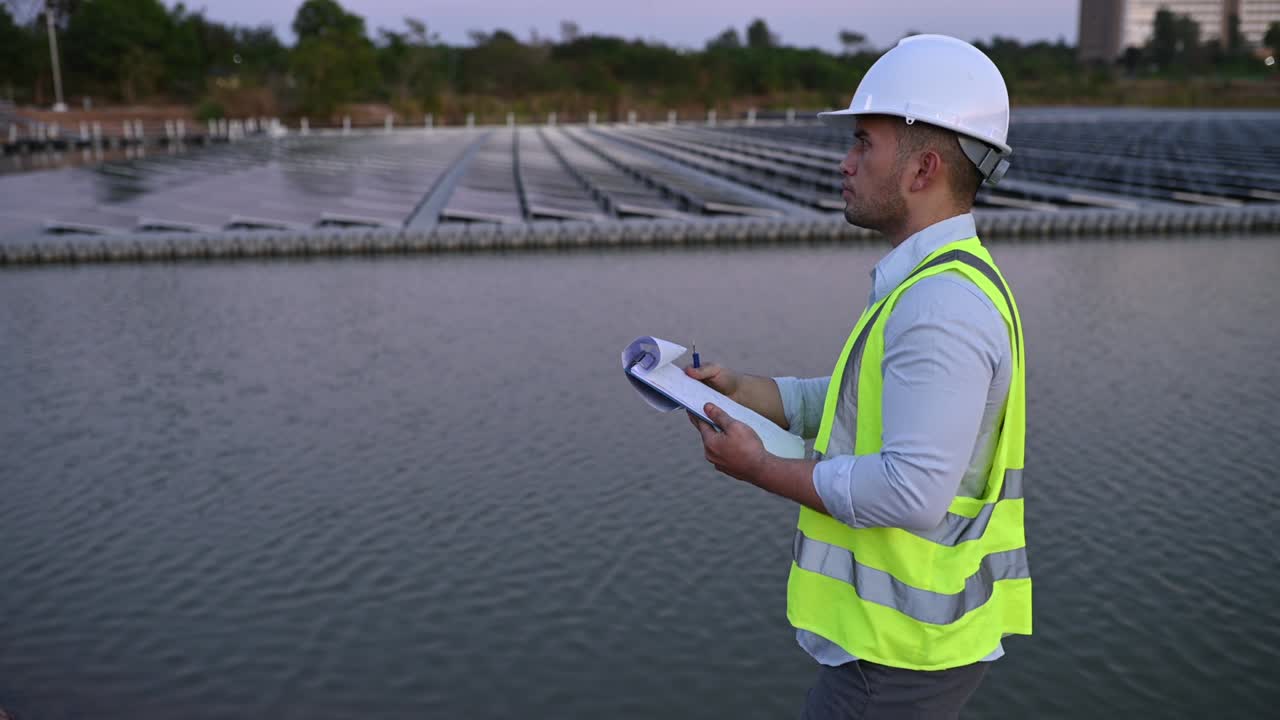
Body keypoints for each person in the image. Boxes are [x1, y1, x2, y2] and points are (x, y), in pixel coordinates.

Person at [683, 35, 1030, 719]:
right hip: (904, 653)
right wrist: (743, 389)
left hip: (896, 661)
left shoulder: (940, 307)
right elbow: (846, 401)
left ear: (922, 168)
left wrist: (757, 467)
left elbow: (909, 493)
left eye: (863, 143)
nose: (843, 164)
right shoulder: (934, 285)